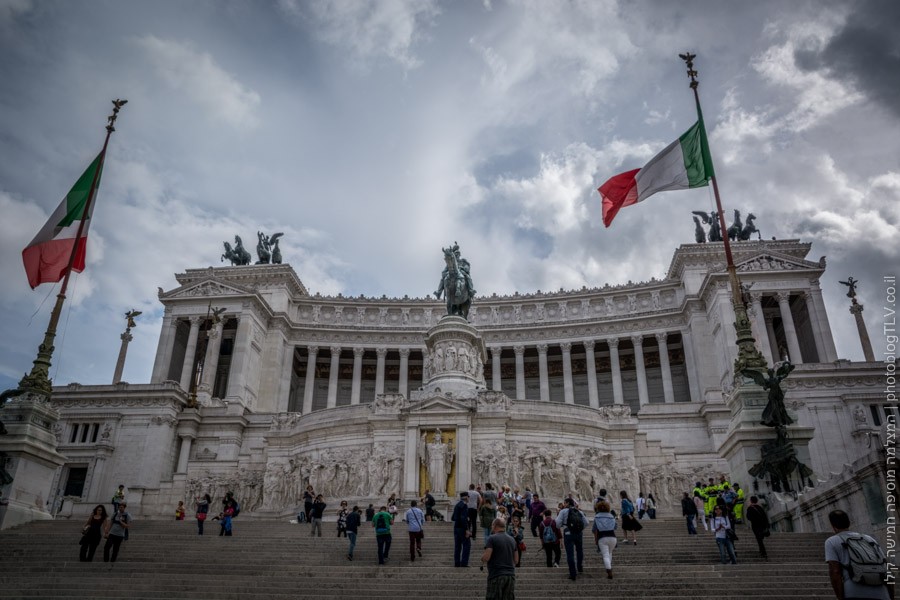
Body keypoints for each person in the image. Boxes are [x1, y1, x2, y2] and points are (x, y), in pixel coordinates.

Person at [824, 509, 890, 600]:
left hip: (854, 592)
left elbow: (835, 572)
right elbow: (886, 567)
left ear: (833, 526)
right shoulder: (869, 539)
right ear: (849, 523)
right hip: (881, 593)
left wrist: (840, 597)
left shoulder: (832, 541)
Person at [482, 518, 518, 600]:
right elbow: (516, 560)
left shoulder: (492, 538)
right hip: (510, 576)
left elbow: (486, 557)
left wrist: (482, 558)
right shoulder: (512, 540)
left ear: (495, 526)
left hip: (496, 575)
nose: (491, 527)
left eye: (492, 525)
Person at [556, 497, 589, 581]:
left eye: (564, 503)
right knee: (579, 550)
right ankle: (580, 567)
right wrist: (579, 529)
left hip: (568, 533)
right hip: (578, 533)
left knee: (570, 553)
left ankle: (573, 573)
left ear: (567, 503)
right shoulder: (579, 511)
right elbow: (586, 522)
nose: (564, 504)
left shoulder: (563, 511)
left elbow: (557, 524)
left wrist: (563, 526)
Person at [593, 500, 618, 579]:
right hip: (612, 537)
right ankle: (609, 566)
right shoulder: (611, 516)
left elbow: (595, 530)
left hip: (602, 537)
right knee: (609, 553)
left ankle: (609, 569)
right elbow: (615, 527)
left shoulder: (597, 517)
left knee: (605, 555)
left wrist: (596, 539)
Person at [451, 491, 472, 567]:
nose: (469, 498)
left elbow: (453, 517)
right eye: (468, 497)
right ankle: (464, 562)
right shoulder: (464, 506)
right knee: (467, 545)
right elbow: (463, 518)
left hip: (456, 528)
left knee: (457, 546)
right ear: (466, 497)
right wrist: (467, 529)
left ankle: (457, 562)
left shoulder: (457, 505)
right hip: (462, 528)